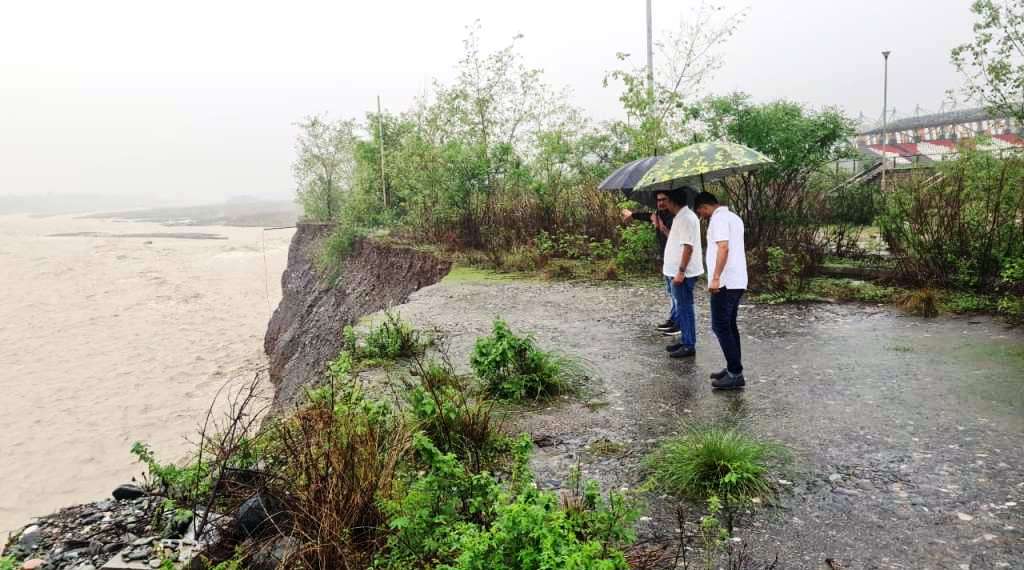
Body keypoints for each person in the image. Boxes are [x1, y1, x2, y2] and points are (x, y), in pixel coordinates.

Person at [693, 191, 748, 389]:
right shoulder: (733, 217)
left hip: (725, 282)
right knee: (730, 326)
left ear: (705, 206)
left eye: (700, 211)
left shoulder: (718, 220)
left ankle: (735, 373)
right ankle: (733, 367)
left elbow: (723, 248)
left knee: (720, 326)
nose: (701, 215)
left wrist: (715, 278)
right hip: (737, 280)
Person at [657, 188, 703, 358]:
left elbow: (688, 247)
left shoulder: (686, 218)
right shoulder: (681, 216)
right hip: (675, 271)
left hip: (683, 273)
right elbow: (677, 240)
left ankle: (689, 344)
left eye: (666, 200)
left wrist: (681, 272)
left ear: (672, 201)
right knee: (683, 307)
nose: (663, 203)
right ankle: (685, 339)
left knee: (685, 308)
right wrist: (661, 227)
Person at [621, 201, 678, 335]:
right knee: (671, 292)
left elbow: (675, 238)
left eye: (664, 200)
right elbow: (648, 216)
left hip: (676, 259)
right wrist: (632, 215)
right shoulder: (660, 213)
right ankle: (673, 319)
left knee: (677, 295)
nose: (660, 203)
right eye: (658, 200)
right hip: (666, 257)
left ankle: (679, 324)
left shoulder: (675, 217)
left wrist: (661, 226)